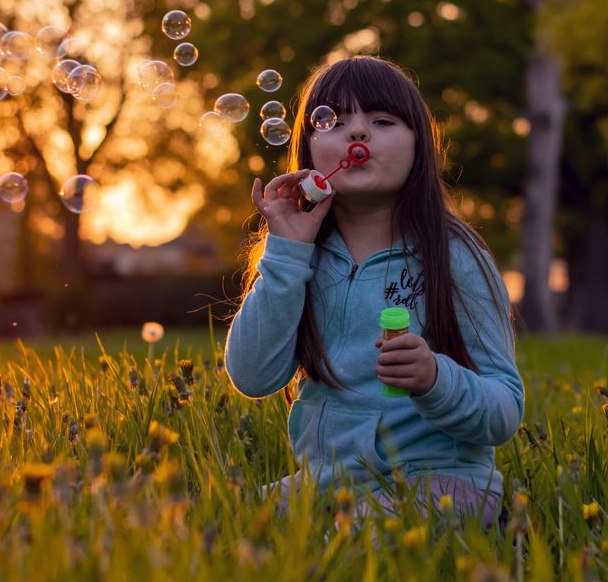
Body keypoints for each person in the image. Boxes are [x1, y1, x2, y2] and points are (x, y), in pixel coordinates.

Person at [224, 55, 524, 530]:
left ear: (418, 146)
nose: (356, 133)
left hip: (442, 482)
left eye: (381, 121)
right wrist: (285, 252)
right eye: (333, 121)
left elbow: (504, 412)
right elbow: (253, 376)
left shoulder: (455, 256)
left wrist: (434, 378)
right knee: (215, 520)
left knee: (353, 535)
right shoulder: (300, 255)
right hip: (326, 484)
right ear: (308, 151)